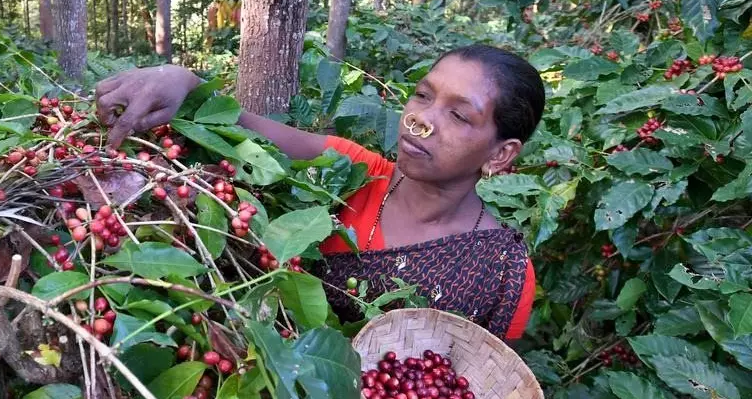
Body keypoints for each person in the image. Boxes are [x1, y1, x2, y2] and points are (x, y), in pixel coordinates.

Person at [95, 45, 542, 341]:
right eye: (423, 96)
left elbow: (476, 392)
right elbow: (247, 127)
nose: (421, 120)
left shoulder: (503, 274)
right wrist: (183, 81)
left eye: (459, 116)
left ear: (501, 155)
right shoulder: (351, 172)